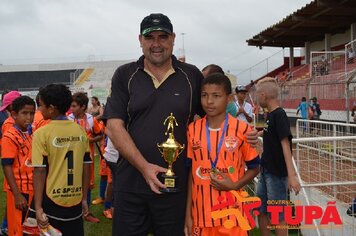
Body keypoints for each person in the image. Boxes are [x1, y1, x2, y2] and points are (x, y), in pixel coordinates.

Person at [104, 13, 205, 235]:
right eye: (150, 38)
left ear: (173, 39)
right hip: (131, 185)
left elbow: (210, 117)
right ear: (140, 40)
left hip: (176, 187)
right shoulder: (125, 74)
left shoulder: (192, 76)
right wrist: (144, 167)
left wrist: (240, 134)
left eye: (163, 37)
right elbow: (113, 126)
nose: (156, 44)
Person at [185, 73, 260, 235]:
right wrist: (187, 216)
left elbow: (255, 168)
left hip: (233, 216)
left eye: (216, 96)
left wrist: (234, 185)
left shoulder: (243, 130)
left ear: (228, 98)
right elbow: (190, 174)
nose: (209, 101)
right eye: (204, 95)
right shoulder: (192, 130)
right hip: (201, 216)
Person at [32, 84, 91, 236]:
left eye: (41, 105)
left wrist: (38, 208)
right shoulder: (80, 130)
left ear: (51, 108)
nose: (39, 109)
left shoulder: (42, 133)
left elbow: (39, 170)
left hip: (51, 199)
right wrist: (84, 198)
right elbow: (86, 166)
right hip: (75, 198)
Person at [255, 77, 301, 236]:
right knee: (260, 210)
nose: (256, 98)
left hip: (276, 174)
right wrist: (257, 133)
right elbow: (270, 132)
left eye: (257, 95)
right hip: (265, 171)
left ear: (263, 96)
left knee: (278, 216)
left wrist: (292, 175)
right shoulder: (271, 115)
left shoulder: (279, 115)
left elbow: (285, 144)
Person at [1, 96, 35, 236]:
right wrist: (17, 195)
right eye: (24, 113)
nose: (29, 117)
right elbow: (6, 166)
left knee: (29, 228)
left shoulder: (28, 133)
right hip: (20, 191)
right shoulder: (9, 136)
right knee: (18, 229)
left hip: (31, 188)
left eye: (32, 113)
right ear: (14, 114)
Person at [68, 92, 103, 223]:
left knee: (87, 184)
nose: (72, 109)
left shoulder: (90, 119)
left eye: (74, 106)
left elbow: (100, 135)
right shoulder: (68, 119)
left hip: (88, 158)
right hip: (71, 158)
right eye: (71, 106)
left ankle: (86, 212)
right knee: (73, 183)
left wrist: (91, 140)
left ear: (83, 107)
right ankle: (74, 210)